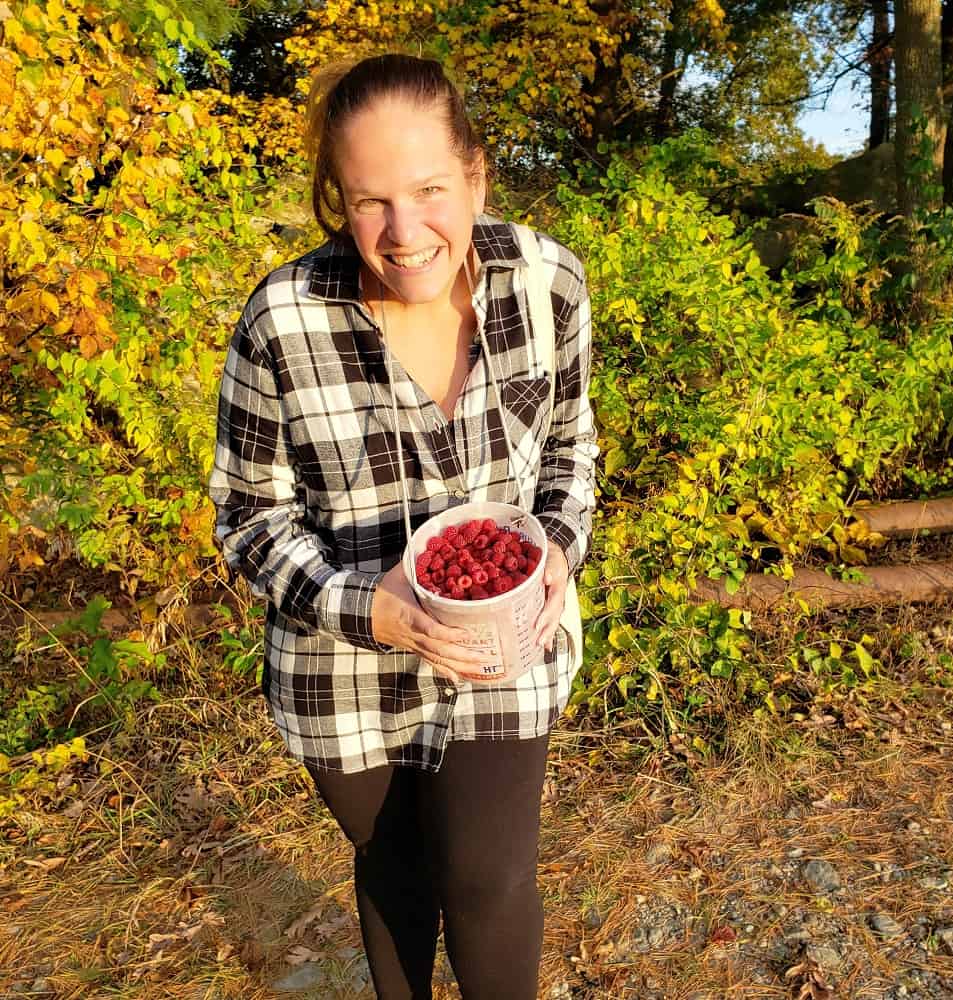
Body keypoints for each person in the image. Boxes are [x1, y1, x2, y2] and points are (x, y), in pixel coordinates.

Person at [208, 53, 598, 1000]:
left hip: (506, 643)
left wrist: (557, 547)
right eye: (369, 199)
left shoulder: (547, 283)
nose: (404, 229)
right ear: (335, 201)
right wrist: (364, 607)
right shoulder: (282, 319)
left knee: (487, 876)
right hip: (344, 669)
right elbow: (248, 518)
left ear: (476, 173)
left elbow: (571, 451)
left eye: (429, 189)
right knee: (395, 867)